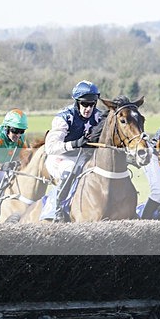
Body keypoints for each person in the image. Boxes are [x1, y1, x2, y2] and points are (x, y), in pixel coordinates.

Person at [45, 80, 104, 221]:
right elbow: (50, 147)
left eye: (92, 104)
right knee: (70, 169)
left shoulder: (99, 116)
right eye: (84, 104)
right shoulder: (64, 117)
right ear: (77, 102)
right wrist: (75, 144)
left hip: (83, 157)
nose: (88, 108)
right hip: (61, 157)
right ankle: (57, 211)